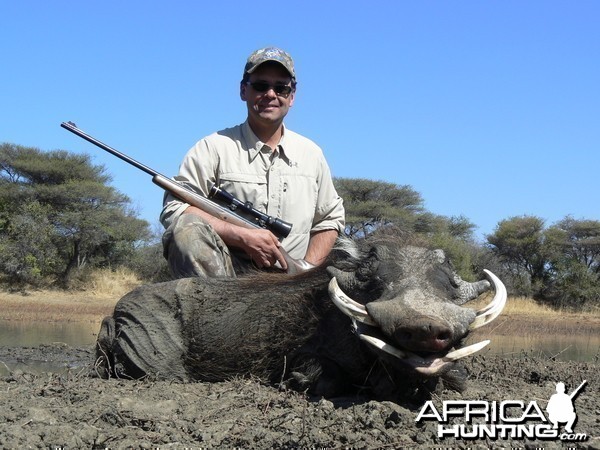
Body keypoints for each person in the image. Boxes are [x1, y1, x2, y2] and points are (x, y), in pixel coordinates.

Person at [160, 47, 345, 278]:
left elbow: (330, 219)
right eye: (260, 86)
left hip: (293, 285)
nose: (270, 94)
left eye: (280, 88)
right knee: (185, 229)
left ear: (292, 96)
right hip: (227, 282)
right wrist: (240, 236)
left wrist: (305, 272)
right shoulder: (212, 147)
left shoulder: (312, 154)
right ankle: (215, 309)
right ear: (243, 90)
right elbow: (175, 209)